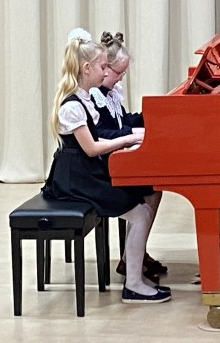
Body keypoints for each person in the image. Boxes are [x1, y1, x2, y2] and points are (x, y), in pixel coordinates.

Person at [42, 28, 171, 304]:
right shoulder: (72, 106)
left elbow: (98, 139)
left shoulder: (86, 98)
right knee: (140, 213)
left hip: (86, 172)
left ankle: (135, 272)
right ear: (86, 68)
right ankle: (133, 285)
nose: (105, 74)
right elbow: (92, 147)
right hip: (75, 180)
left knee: (141, 202)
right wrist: (127, 139)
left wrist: (132, 135)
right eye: (102, 67)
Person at [89, 31, 168, 281]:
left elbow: (122, 120)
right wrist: (133, 133)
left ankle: (135, 252)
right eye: (118, 72)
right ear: (104, 68)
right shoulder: (93, 96)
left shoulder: (110, 94)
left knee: (153, 189)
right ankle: (132, 255)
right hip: (101, 165)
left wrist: (153, 116)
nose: (121, 77)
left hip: (114, 157)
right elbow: (101, 133)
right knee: (149, 190)